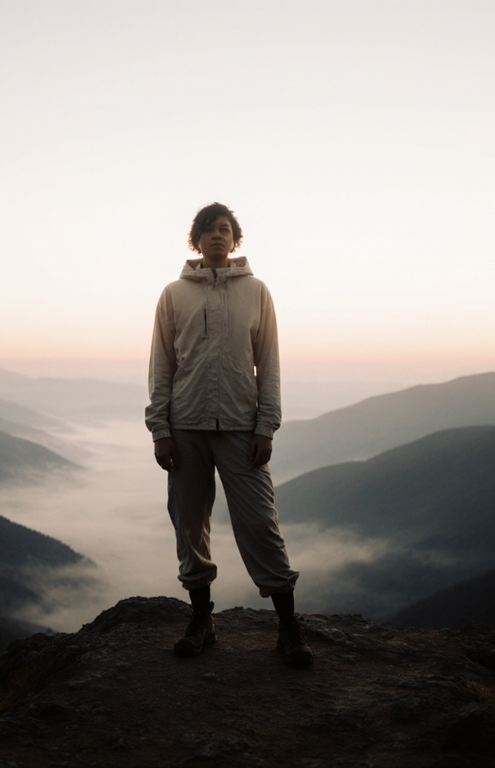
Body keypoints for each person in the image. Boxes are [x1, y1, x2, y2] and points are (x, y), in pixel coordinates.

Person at [146, 202, 313, 668]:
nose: (216, 236)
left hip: (242, 427)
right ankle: (203, 621)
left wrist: (266, 424)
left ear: (235, 239)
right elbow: (162, 366)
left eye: (225, 229)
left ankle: (288, 628)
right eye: (208, 229)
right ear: (195, 240)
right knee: (189, 525)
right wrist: (160, 429)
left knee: (261, 523)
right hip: (185, 427)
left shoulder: (256, 291)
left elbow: (270, 364)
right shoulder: (173, 294)